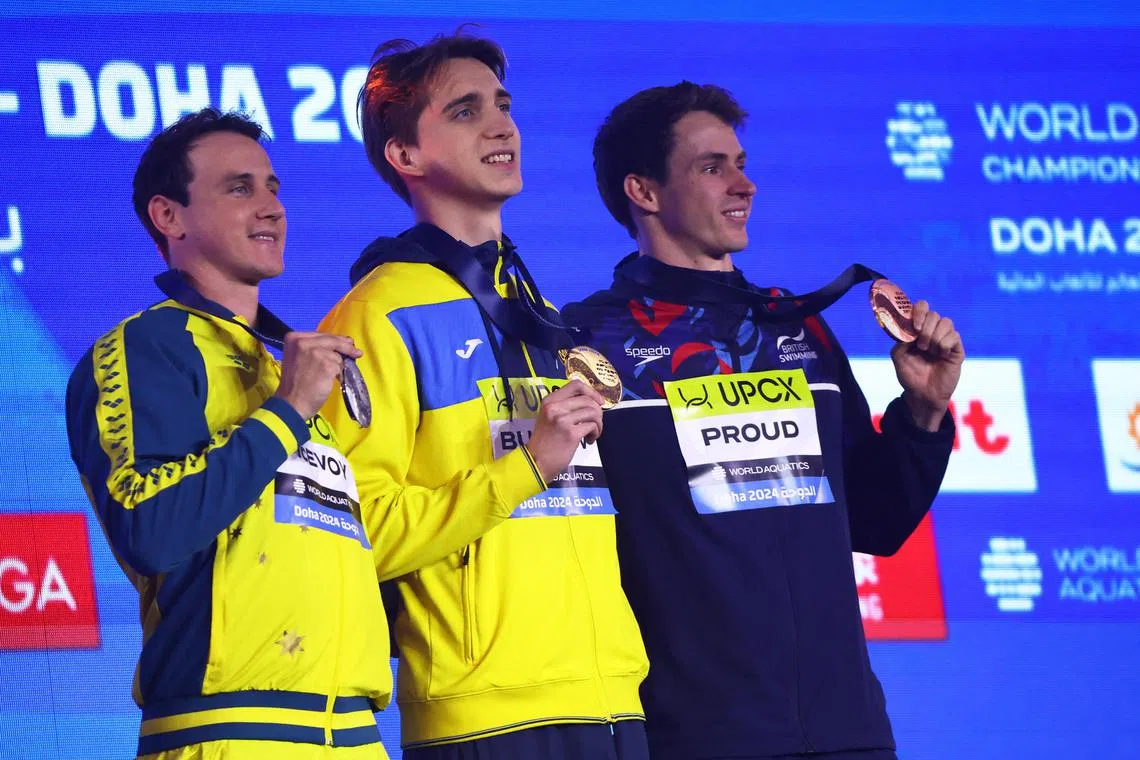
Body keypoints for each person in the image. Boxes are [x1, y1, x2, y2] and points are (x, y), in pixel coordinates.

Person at [562, 82, 965, 760]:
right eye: (711, 166)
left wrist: (922, 410)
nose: (743, 184)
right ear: (645, 192)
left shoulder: (795, 326)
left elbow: (878, 520)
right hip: (690, 735)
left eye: (742, 163)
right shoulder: (584, 342)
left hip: (848, 733)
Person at [317, 32, 650, 760]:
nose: (502, 125)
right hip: (484, 715)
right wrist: (525, 467)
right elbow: (353, 531)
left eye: (503, 105)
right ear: (405, 157)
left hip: (612, 699)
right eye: (466, 112)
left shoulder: (541, 311)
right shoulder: (378, 314)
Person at [65, 108, 393, 759]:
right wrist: (287, 410)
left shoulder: (284, 364)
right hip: (230, 731)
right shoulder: (148, 345)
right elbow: (150, 527)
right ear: (170, 216)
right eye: (239, 187)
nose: (271, 207)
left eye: (273, 187)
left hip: (353, 733)